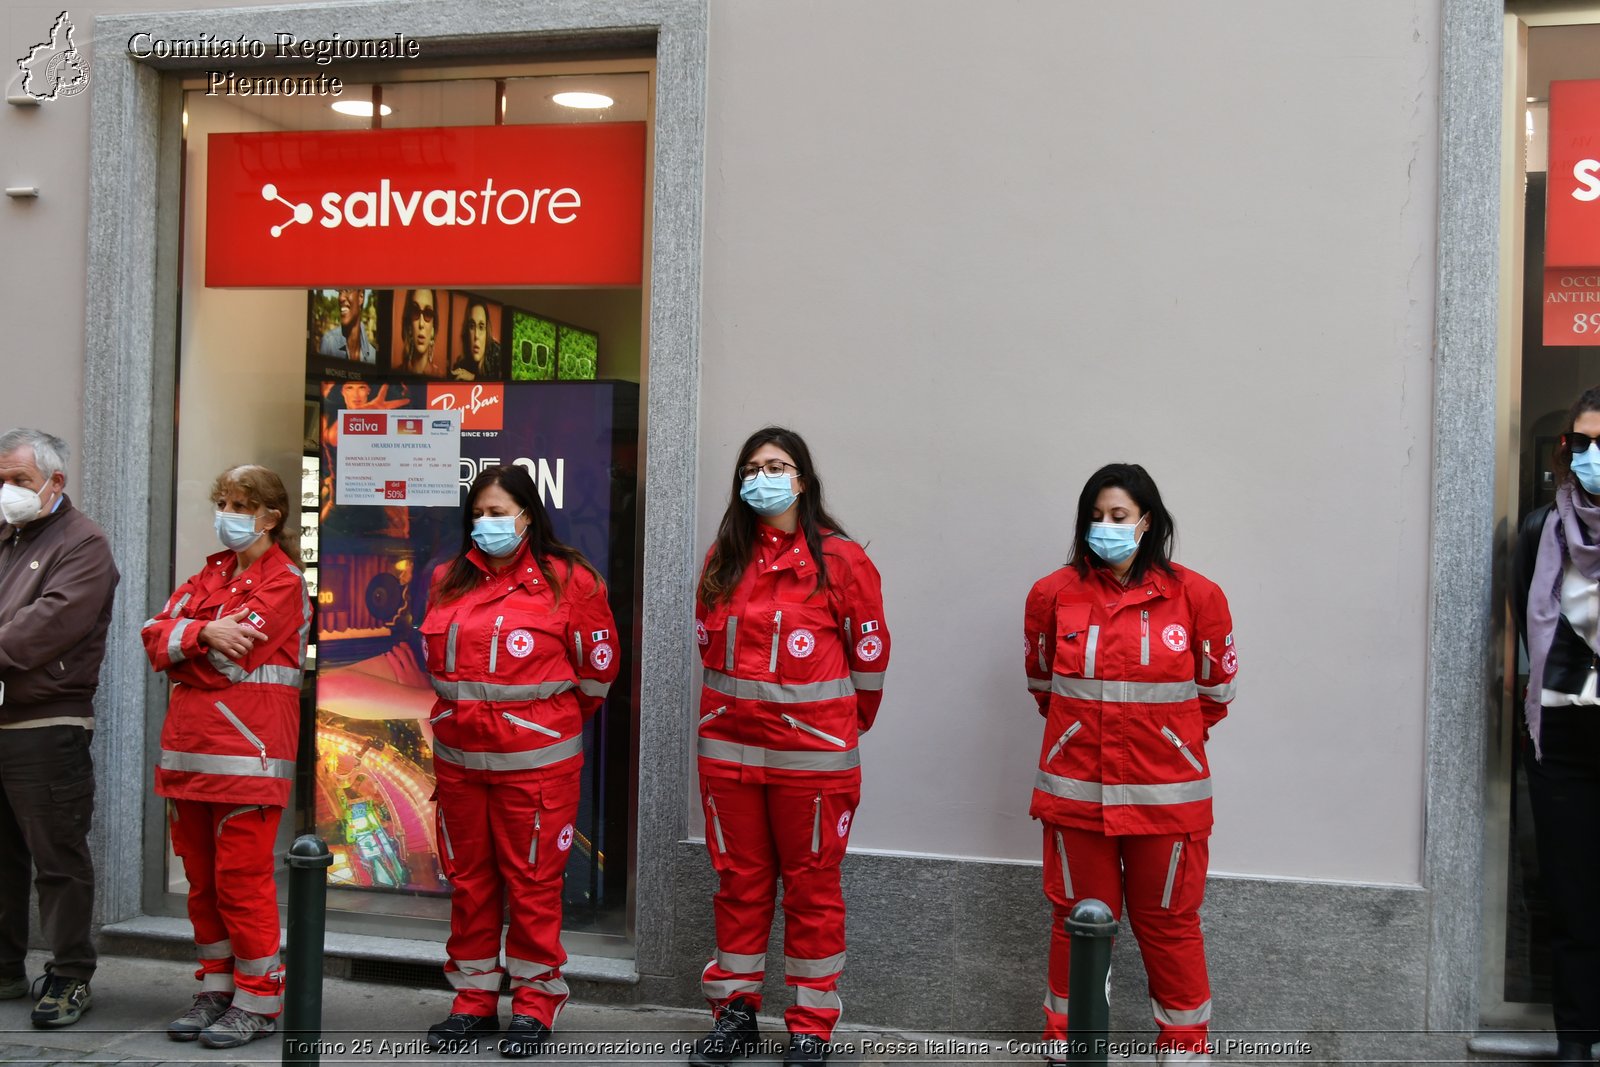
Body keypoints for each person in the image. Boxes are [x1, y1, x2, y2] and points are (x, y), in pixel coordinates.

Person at [688, 427, 889, 1067]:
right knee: (739, 885)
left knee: (812, 888)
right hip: (729, 755)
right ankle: (736, 1013)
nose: (763, 476)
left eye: (777, 466)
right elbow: (707, 650)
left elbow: (870, 663)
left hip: (814, 763)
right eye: (752, 466)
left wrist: (832, 728)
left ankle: (810, 1022)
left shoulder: (842, 560)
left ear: (802, 479)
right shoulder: (725, 557)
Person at [1023, 463, 1236, 1066]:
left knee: (1170, 924)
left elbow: (1214, 697)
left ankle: (1186, 1048)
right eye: (1095, 516)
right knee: (1077, 924)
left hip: (1167, 798)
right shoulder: (1052, 595)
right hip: (1077, 793)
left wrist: (1165, 740)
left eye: (1118, 516)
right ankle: (1068, 1043)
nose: (1106, 527)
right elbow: (1044, 688)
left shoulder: (1198, 596)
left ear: (1148, 521)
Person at [419, 465, 618, 1058]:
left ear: (528, 516)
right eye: (478, 514)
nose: (486, 524)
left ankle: (535, 1003)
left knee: (533, 885)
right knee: (471, 884)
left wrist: (538, 725)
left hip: (535, 766)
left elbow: (596, 675)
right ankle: (474, 1001)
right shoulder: (446, 580)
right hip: (460, 765)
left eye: (499, 512)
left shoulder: (569, 582)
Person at [140, 465, 308, 1049]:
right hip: (188, 756)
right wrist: (203, 633)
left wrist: (188, 640)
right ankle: (217, 987)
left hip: (247, 758)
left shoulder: (283, 581)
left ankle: (259, 1000)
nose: (228, 513)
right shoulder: (210, 575)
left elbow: (229, 665)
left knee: (242, 883)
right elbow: (151, 635)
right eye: (224, 500)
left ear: (270, 515)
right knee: (202, 884)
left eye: (240, 503)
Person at [0, 428, 119, 1029]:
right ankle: (4, 968)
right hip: (3, 718)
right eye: (1, 482)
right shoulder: (6, 536)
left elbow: (47, 626)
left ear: (55, 482)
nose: (8, 492)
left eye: (19, 481)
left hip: (47, 723)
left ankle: (70, 974)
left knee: (58, 857)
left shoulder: (84, 542)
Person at [1513, 384, 1600, 1065]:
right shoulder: (1542, 530)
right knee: (1572, 899)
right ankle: (1575, 1039)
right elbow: (1524, 616)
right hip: (1563, 740)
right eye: (1581, 442)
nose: (1590, 455)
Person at [318, 287, 377, 363]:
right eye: (340, 292)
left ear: (360, 297)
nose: (340, 298)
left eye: (347, 290)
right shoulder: (329, 343)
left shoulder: (373, 356)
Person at [451, 298, 502, 381]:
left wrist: (473, 378)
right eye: (472, 326)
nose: (476, 336)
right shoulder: (461, 365)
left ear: (487, 331)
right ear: (467, 331)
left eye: (481, 327)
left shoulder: (498, 356)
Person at [400, 288, 443, 377]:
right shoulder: (396, 374)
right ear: (409, 325)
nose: (421, 324)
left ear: (433, 327)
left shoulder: (440, 377)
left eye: (428, 313)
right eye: (415, 311)